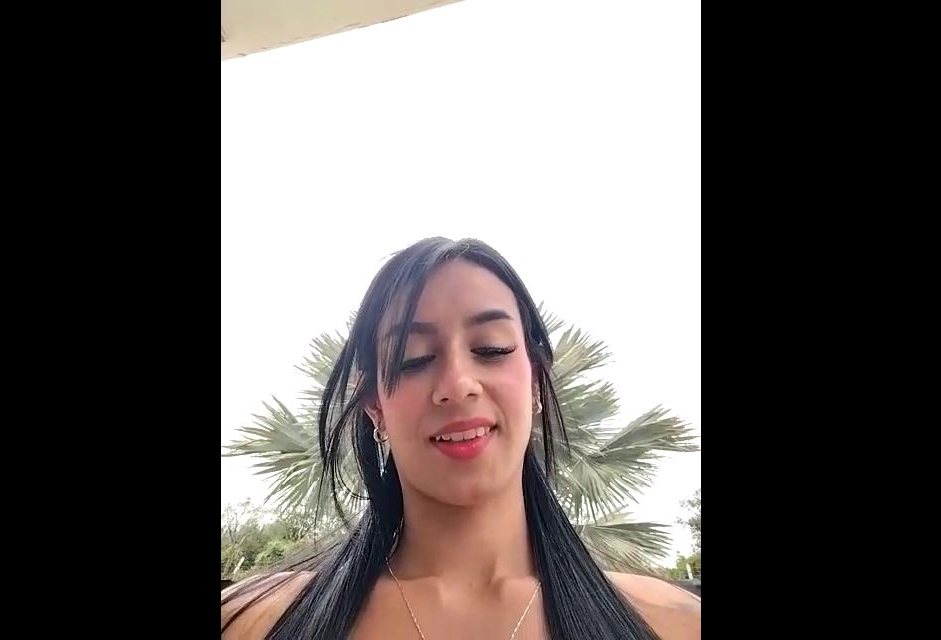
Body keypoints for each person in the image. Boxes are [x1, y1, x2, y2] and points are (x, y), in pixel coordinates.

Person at [222, 237, 700, 639]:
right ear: (374, 405)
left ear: (535, 381)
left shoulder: (672, 623)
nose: (457, 384)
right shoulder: (252, 622)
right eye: (413, 358)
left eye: (491, 348)